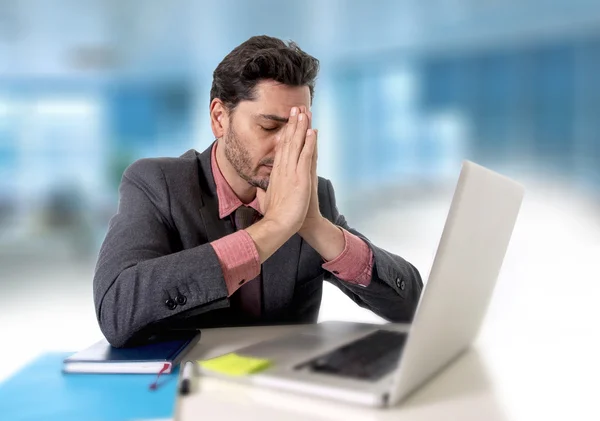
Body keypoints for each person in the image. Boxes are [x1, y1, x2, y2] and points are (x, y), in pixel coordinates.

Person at [93, 35, 423, 347]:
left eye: (297, 129)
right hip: (186, 391)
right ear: (219, 118)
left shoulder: (313, 195)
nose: (285, 145)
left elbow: (411, 305)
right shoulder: (157, 183)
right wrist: (275, 227)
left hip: (282, 393)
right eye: (269, 126)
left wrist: (315, 226)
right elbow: (117, 312)